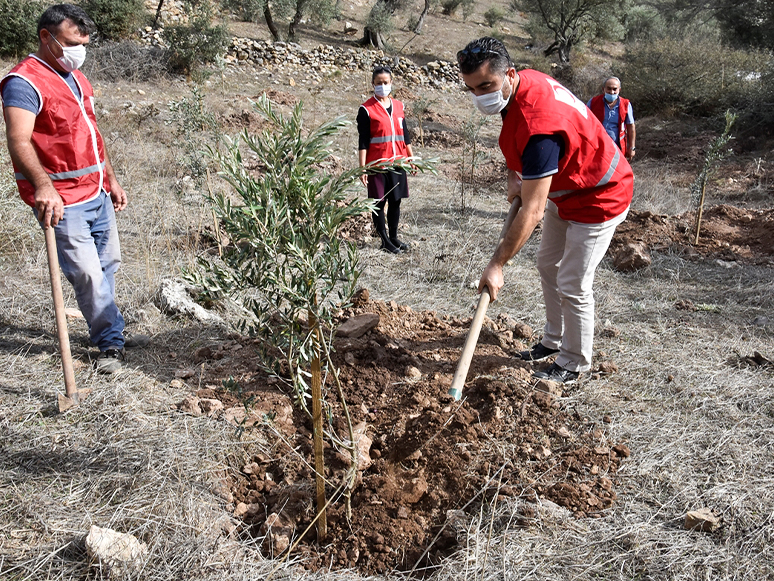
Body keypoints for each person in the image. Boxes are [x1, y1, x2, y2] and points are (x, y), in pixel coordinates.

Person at [458, 37, 633, 384]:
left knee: (573, 280)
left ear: (508, 74)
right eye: (472, 89)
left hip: (601, 194)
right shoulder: (523, 83)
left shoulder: (540, 127)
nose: (479, 96)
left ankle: (573, 362)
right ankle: (553, 341)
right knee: (547, 264)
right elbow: (513, 130)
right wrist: (514, 173)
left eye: (486, 86)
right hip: (567, 190)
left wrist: (497, 264)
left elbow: (533, 210)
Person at [1, 4, 145, 374]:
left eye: (83, 42)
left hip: (96, 192)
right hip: (63, 200)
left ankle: (107, 328)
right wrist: (44, 188)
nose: (77, 50)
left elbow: (92, 133)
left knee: (107, 265)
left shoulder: (76, 76)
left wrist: (110, 178)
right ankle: (111, 343)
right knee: (87, 274)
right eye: (69, 42)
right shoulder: (24, 81)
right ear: (45, 37)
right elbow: (19, 140)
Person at [357, 65, 414, 254]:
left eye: (386, 82)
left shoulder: (399, 106)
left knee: (396, 200)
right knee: (378, 202)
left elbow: (404, 135)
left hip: (398, 162)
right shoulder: (366, 109)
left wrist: (411, 157)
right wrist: (362, 168)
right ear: (373, 84)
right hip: (378, 164)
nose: (383, 85)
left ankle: (394, 237)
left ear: (392, 83)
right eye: (379, 83)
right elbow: (363, 141)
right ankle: (383, 239)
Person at [587, 77, 636, 161]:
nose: (612, 92)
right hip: (597, 147)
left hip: (617, 148)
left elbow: (631, 127)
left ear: (619, 90)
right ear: (603, 89)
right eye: (609, 89)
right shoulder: (593, 102)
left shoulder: (626, 104)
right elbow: (585, 122)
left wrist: (632, 148)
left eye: (615, 89)